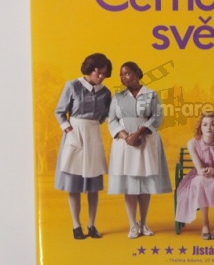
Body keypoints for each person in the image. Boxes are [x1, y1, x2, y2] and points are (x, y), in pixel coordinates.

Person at [108, 62, 173, 238]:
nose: (123, 77)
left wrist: (138, 133)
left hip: (146, 142)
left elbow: (158, 116)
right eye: (121, 75)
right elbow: (112, 120)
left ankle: (143, 223)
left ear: (137, 73)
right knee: (130, 185)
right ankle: (133, 225)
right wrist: (125, 136)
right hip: (125, 145)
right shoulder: (117, 97)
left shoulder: (151, 95)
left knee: (144, 185)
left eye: (127, 73)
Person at [54, 53, 112, 240]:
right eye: (98, 72)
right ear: (89, 70)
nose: (101, 76)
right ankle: (76, 225)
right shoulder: (73, 86)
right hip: (74, 134)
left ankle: (92, 225)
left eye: (104, 73)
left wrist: (93, 126)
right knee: (74, 184)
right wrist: (69, 130)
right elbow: (60, 112)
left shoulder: (106, 93)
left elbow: (106, 115)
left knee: (94, 185)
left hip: (93, 135)